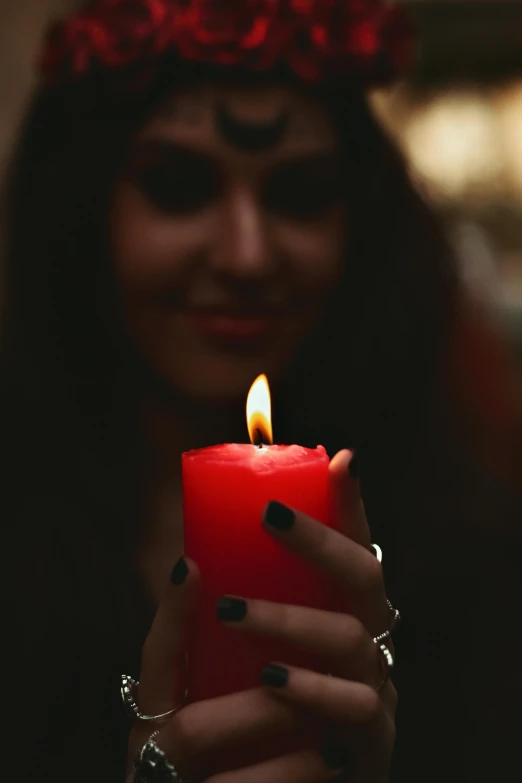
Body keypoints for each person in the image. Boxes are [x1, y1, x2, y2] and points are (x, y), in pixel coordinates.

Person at [2, 1, 521, 782]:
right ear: (79, 211)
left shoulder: (474, 552)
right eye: (178, 187)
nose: (247, 255)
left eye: (301, 194)